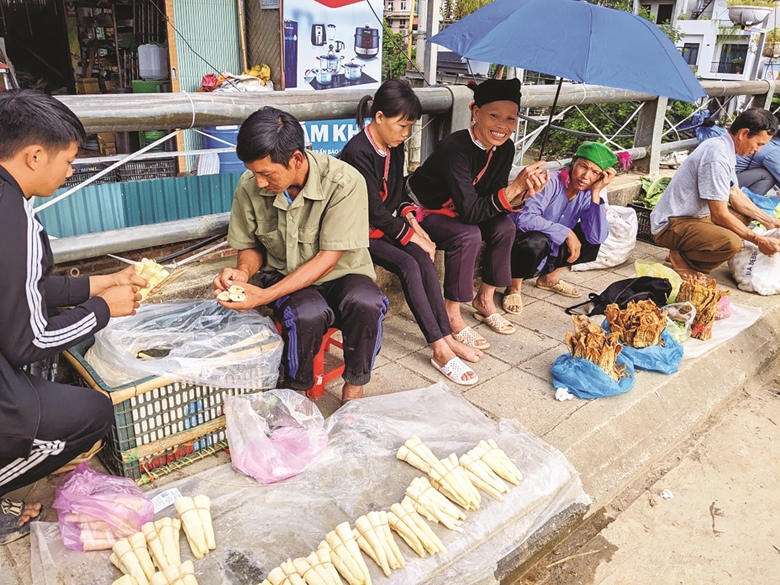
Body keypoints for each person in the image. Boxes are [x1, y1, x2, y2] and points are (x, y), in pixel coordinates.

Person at [0, 90, 143, 544]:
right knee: (93, 413)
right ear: (35, 155)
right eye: (69, 160)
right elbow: (28, 338)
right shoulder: (12, 217)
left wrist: (98, 283)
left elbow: (24, 288)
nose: (69, 172)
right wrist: (103, 309)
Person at [213, 106, 388, 404]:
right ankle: (296, 392)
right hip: (281, 271)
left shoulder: (344, 182)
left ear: (296, 159)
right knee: (306, 314)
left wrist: (263, 297)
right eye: (253, 173)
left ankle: (355, 387)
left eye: (266, 174)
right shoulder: (249, 185)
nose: (259, 183)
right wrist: (242, 273)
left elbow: (327, 258)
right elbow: (250, 246)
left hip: (340, 273)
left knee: (368, 303)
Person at [339, 80, 482, 386]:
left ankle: (445, 336)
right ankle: (439, 348)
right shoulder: (357, 152)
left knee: (422, 256)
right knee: (408, 263)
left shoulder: (394, 145)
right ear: (379, 118)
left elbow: (399, 191)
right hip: (357, 232)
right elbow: (372, 211)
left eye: (409, 127)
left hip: (383, 227)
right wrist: (410, 234)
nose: (406, 133)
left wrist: (415, 225)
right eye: (402, 126)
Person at [405, 78, 549, 349]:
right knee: (468, 235)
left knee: (505, 226)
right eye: (494, 115)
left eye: (511, 118)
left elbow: (493, 194)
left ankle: (485, 299)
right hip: (424, 210)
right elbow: (471, 212)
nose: (502, 126)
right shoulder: (454, 148)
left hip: (462, 209)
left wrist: (523, 194)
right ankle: (451, 313)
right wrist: (515, 187)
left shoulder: (504, 148)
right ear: (475, 111)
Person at [651, 108, 780, 276]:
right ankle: (682, 257)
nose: (757, 150)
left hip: (695, 218)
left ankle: (684, 250)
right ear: (743, 133)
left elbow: (734, 194)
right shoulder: (717, 156)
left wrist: (769, 221)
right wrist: (757, 239)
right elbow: (719, 214)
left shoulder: (724, 147)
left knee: (747, 215)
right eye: (759, 144)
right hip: (671, 224)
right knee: (731, 243)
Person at [504, 142, 615, 313]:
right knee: (536, 239)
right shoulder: (550, 181)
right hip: (521, 242)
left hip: (552, 246)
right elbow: (524, 220)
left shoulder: (587, 194)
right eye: (583, 167)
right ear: (573, 162)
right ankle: (514, 287)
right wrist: (566, 232)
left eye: (595, 173)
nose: (586, 176)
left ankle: (549, 278)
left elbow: (597, 237)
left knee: (592, 231)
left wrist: (596, 193)